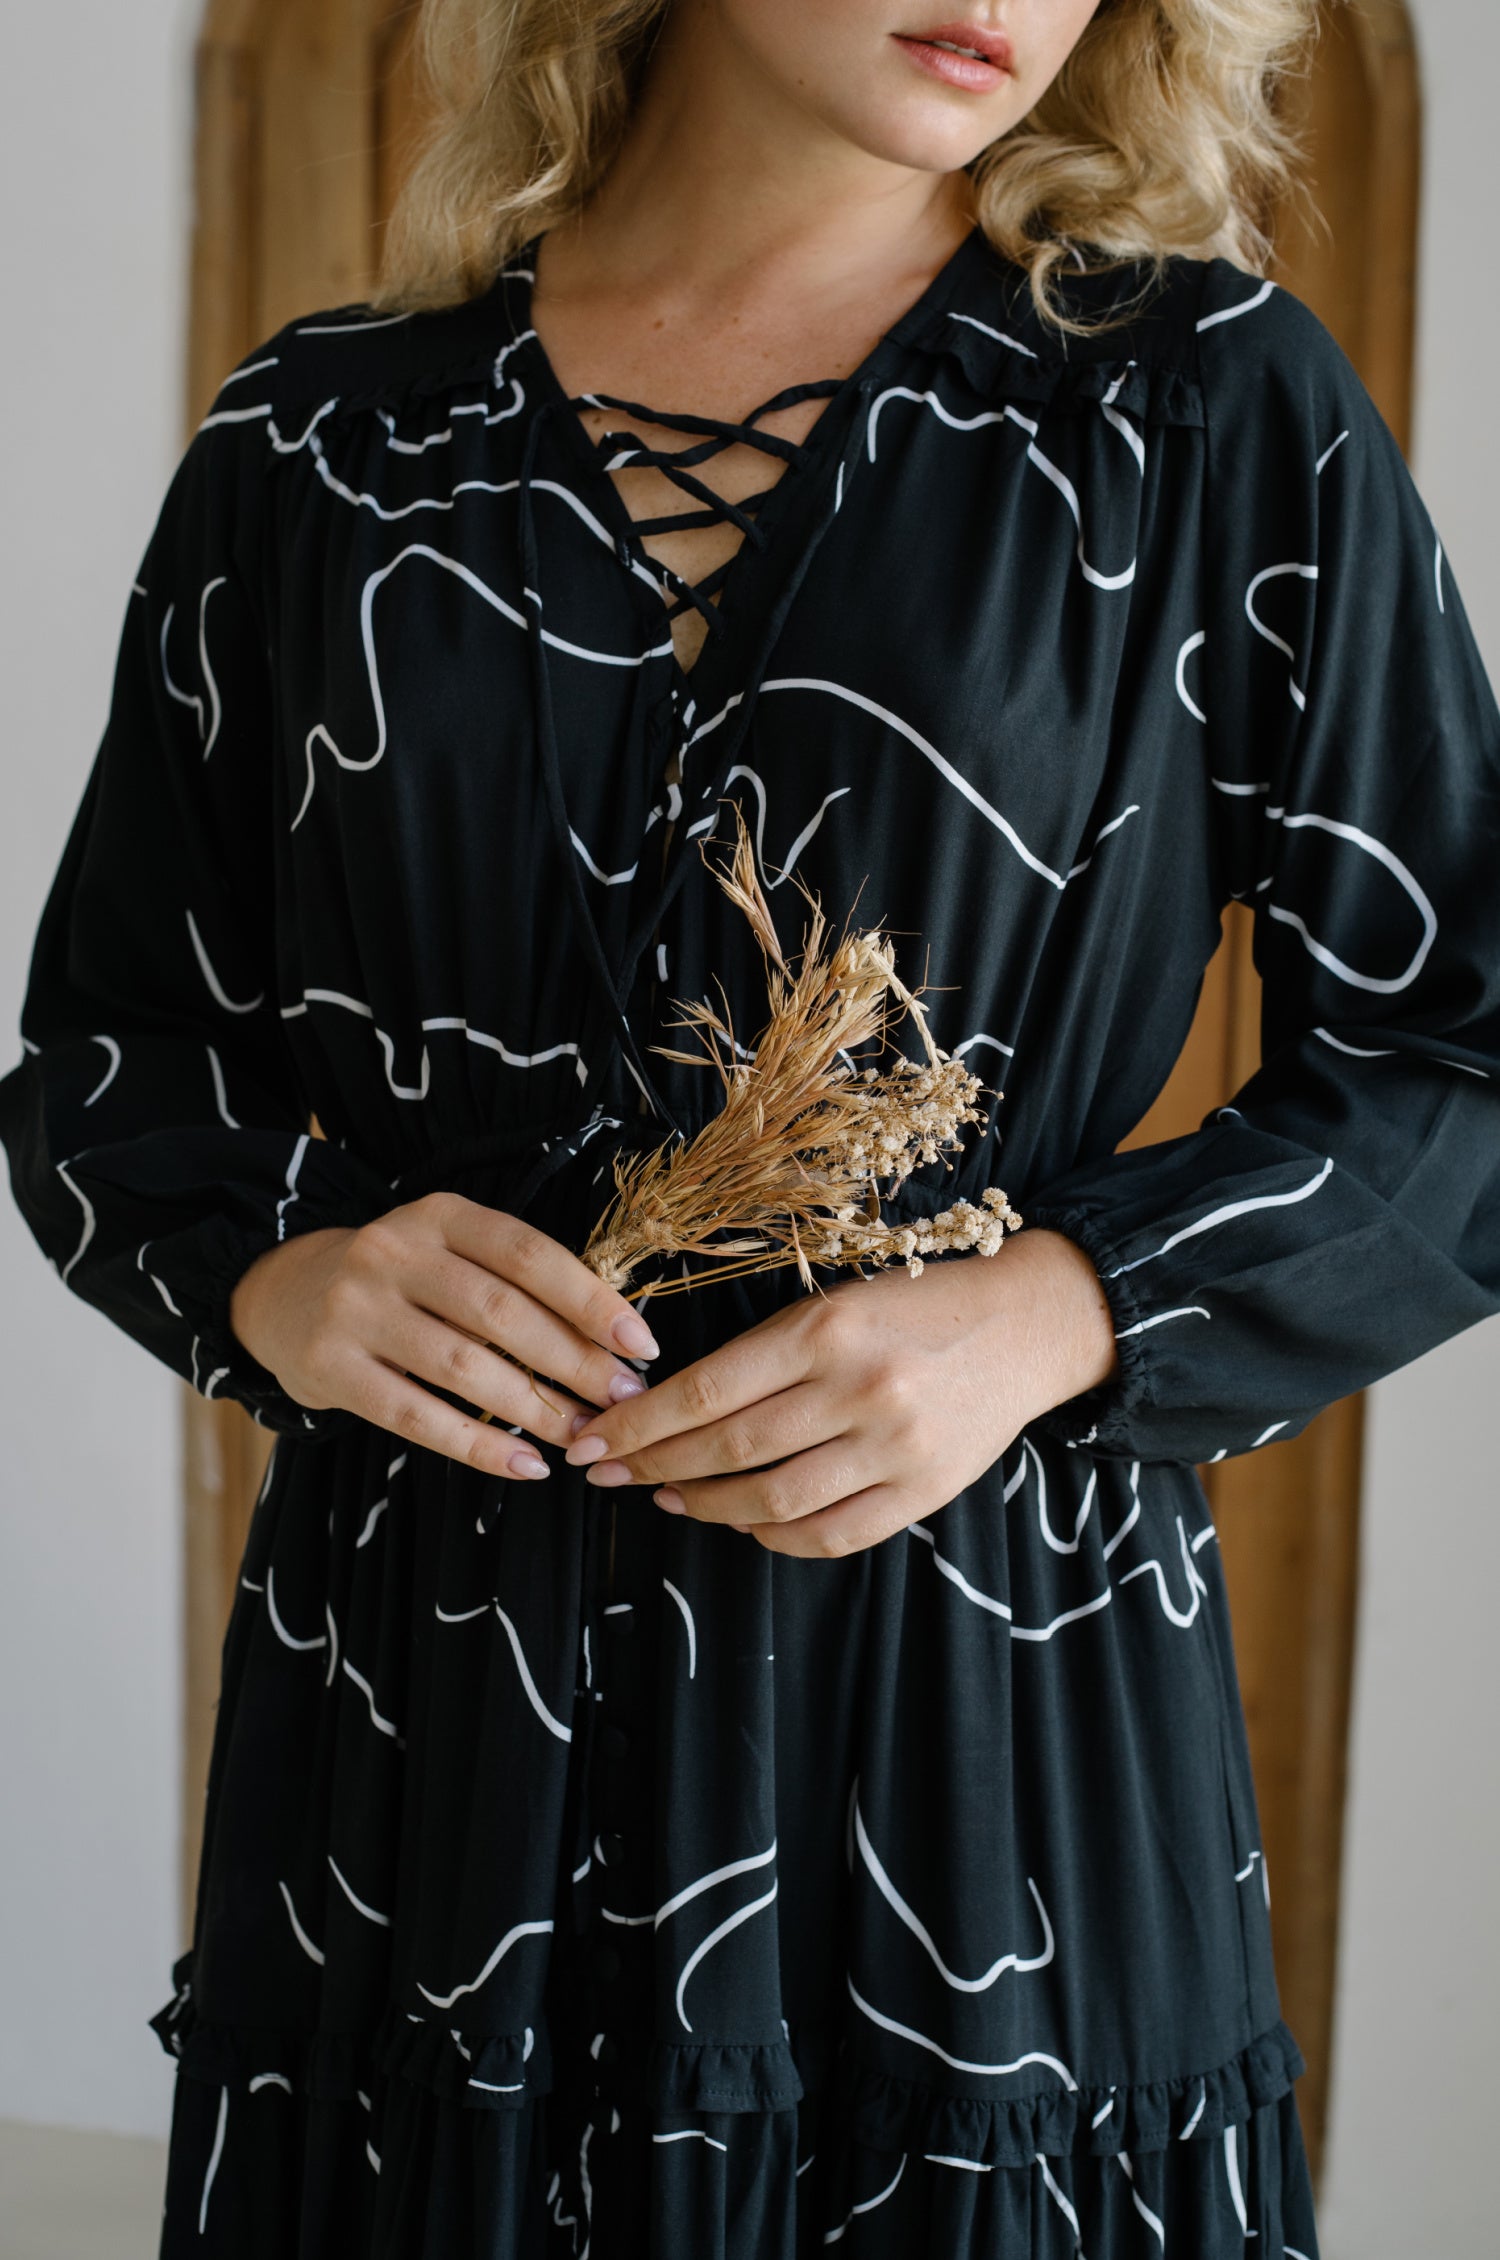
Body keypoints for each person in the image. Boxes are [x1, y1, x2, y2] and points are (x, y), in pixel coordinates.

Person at [3, 0, 1497, 2251]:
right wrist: (283, 1272)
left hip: (986, 1741)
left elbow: (1463, 1053)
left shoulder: (1208, 409)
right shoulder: (322, 444)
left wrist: (1057, 1311)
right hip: (432, 1750)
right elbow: (112, 1057)